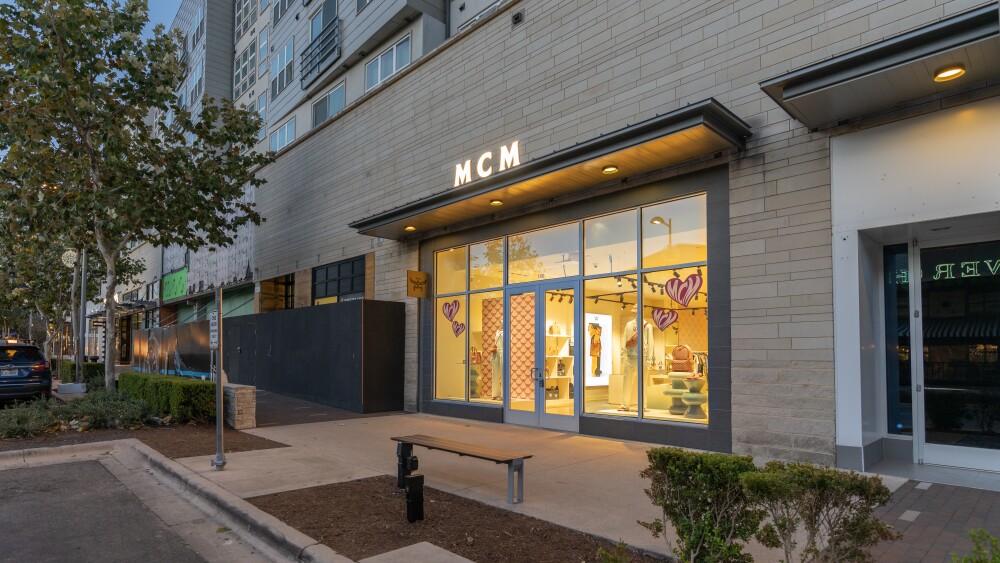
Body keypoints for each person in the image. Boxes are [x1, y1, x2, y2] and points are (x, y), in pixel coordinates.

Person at [620, 304, 653, 411]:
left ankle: (642, 405)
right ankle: (625, 404)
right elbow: (624, 339)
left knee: (642, 383)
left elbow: (650, 343)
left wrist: (648, 359)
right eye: (634, 310)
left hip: (642, 357)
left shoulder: (647, 326)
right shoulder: (629, 325)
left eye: (637, 310)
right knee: (627, 382)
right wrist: (623, 354)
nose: (635, 312)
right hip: (629, 357)